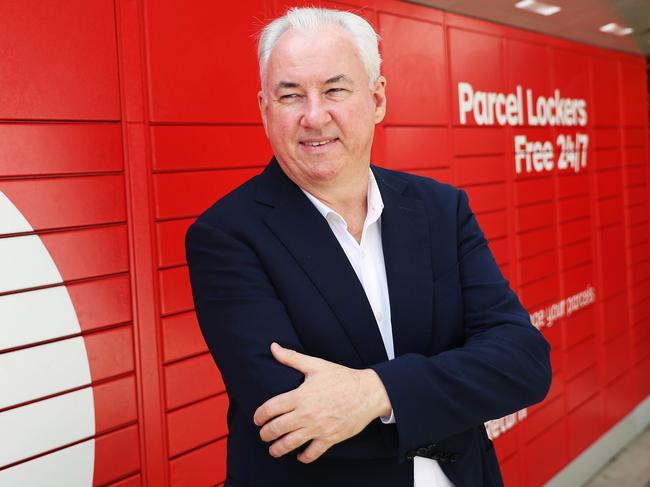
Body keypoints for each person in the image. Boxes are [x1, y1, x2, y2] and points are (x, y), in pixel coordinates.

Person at [185, 7, 551, 487]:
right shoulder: (226, 237)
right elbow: (291, 417)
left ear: (377, 99)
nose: (314, 116)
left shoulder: (441, 210)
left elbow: (523, 362)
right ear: (264, 109)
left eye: (335, 90)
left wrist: (375, 392)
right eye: (290, 95)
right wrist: (449, 390)